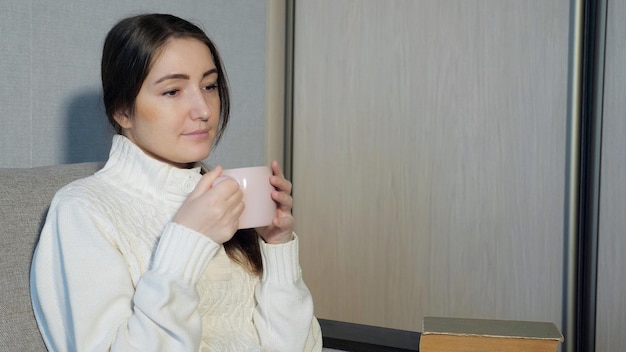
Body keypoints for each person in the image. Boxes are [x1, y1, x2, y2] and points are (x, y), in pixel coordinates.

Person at [30, 13, 322, 351]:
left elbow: (301, 347)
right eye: (172, 91)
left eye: (209, 86)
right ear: (122, 111)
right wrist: (186, 239)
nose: (203, 110)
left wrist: (277, 247)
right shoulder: (81, 211)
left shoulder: (221, 200)